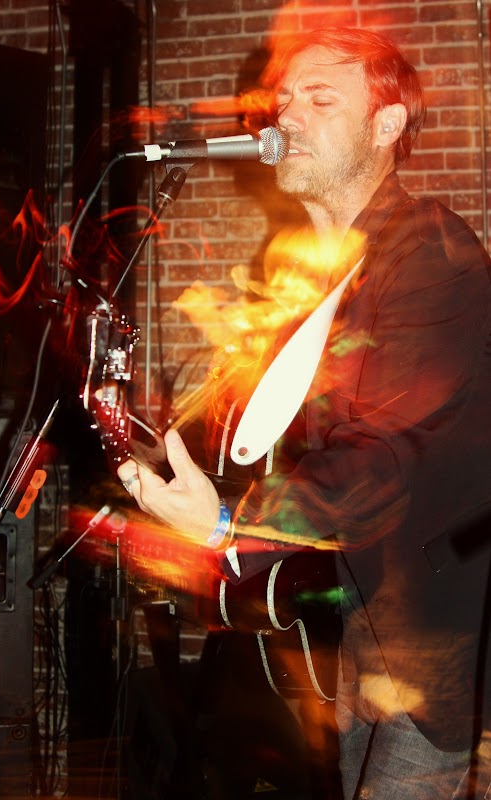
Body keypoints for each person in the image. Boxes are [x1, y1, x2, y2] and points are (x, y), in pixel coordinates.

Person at [118, 27, 491, 799]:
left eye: (320, 99)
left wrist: (229, 525)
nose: (284, 115)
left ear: (385, 125)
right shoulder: (305, 275)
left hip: (432, 628)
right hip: (352, 614)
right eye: (284, 98)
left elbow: (382, 454)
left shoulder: (430, 252)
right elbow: (276, 437)